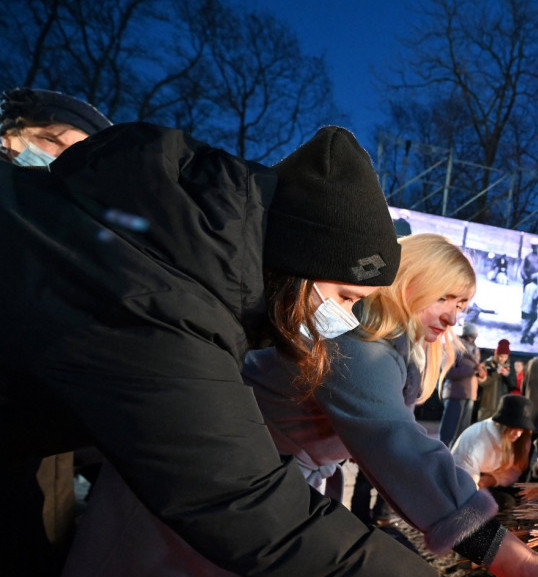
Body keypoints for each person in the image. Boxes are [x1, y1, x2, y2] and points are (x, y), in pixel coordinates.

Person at [1, 119, 440, 576]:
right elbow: (247, 505)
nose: (345, 318)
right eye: (346, 297)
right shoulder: (168, 302)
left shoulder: (183, 257)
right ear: (299, 263)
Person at [249, 233, 538, 577]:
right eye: (444, 297)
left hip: (274, 478)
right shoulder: (360, 342)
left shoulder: (388, 345)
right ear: (408, 281)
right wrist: (518, 561)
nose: (453, 318)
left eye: (461, 306)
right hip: (251, 480)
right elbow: (405, 455)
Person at [0, 87, 113, 576]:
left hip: (38, 488)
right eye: (55, 142)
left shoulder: (53, 237)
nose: (62, 163)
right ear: (13, 131)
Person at [451, 394, 534, 509]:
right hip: (463, 489)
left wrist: (494, 480)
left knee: (511, 501)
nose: (518, 434)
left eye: (522, 429)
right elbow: (463, 479)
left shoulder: (521, 440)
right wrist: (478, 484)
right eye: (514, 427)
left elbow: (514, 472)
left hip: (492, 483)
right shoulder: (476, 439)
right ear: (502, 424)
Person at [439, 322, 487, 446]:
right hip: (455, 394)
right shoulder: (453, 348)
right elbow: (448, 372)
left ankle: (456, 458)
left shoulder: (475, 351)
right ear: (466, 335)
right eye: (472, 336)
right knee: (449, 431)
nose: (473, 339)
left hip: (470, 395)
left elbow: (476, 375)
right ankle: (441, 457)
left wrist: (481, 375)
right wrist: (472, 371)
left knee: (462, 433)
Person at [478, 338, 515, 421]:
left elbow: (513, 385)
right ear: (496, 353)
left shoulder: (510, 367)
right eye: (501, 356)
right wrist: (496, 374)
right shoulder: (487, 364)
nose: (502, 359)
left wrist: (507, 375)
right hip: (487, 405)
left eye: (505, 357)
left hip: (501, 406)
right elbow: (482, 383)